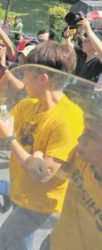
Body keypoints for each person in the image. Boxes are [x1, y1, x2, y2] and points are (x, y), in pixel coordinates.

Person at [0, 41, 84, 250]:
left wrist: (11, 139)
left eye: (26, 73)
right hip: (20, 191)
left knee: (7, 237)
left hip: (40, 203)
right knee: (20, 242)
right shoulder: (27, 105)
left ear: (43, 78)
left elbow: (44, 173)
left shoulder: (68, 119)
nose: (22, 79)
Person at [39, 92, 102, 250]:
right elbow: (47, 172)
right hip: (54, 242)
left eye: (92, 135)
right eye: (84, 130)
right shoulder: (82, 157)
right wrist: (38, 154)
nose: (80, 139)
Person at [65, 17, 102, 85]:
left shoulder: (98, 61)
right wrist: (67, 37)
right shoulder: (83, 55)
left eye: (87, 41)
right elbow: (69, 45)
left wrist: (88, 30)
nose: (83, 42)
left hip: (88, 95)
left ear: (95, 45)